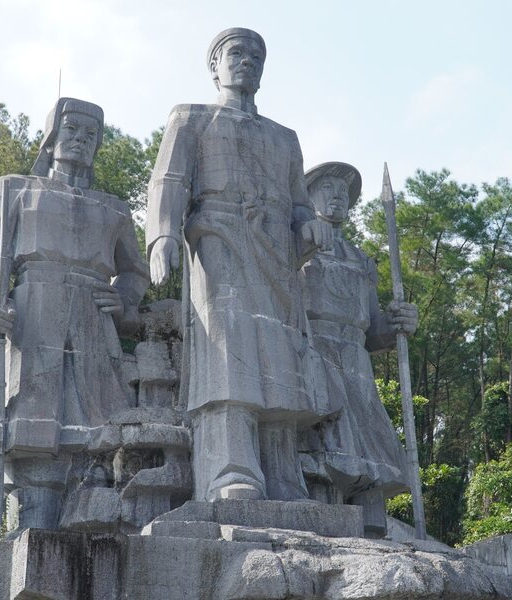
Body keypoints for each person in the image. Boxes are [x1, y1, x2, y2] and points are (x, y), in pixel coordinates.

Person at [146, 28, 332, 502]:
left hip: (276, 254)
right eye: (236, 52)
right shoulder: (191, 118)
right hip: (219, 237)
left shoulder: (284, 138)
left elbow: (298, 205)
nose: (246, 61)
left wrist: (308, 225)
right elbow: (168, 180)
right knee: (228, 350)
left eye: (256, 55)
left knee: (279, 355)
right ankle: (229, 469)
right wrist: (163, 235)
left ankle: (282, 472)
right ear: (215, 65)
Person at [0, 97, 149, 530]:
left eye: (91, 135)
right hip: (35, 308)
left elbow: (135, 271)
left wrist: (123, 299)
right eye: (71, 130)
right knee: (32, 417)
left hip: (93, 311)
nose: (81, 141)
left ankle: (97, 507)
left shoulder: (115, 208)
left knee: (101, 421)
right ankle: (30, 521)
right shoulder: (15, 187)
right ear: (52, 138)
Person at [299, 162, 418, 535]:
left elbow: (373, 329)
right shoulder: (297, 250)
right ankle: (320, 513)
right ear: (308, 195)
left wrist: (397, 323)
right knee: (322, 438)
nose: (337, 197)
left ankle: (371, 523)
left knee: (370, 442)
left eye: (344, 192)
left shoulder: (361, 260)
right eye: (327, 187)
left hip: (355, 358)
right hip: (313, 347)